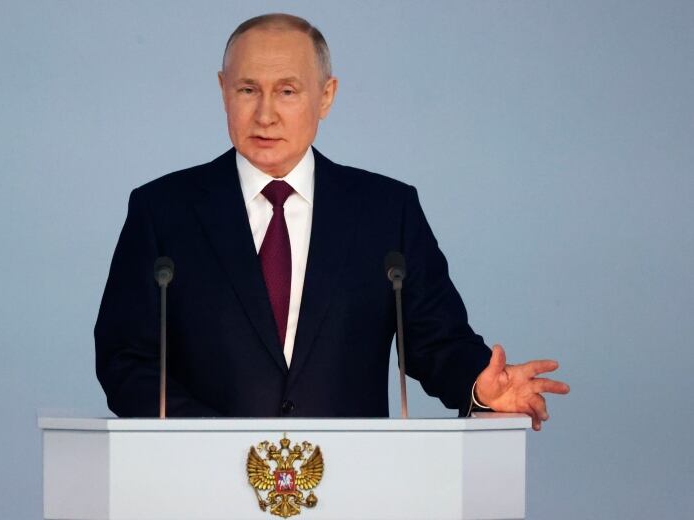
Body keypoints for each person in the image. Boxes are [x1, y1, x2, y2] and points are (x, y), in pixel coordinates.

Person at [94, 13, 569, 430]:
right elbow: (125, 360)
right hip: (202, 483)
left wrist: (479, 387)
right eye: (247, 90)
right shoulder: (163, 210)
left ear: (326, 96)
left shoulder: (386, 211)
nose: (266, 114)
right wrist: (217, 439)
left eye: (287, 91)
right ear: (223, 91)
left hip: (353, 485)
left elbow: (436, 340)